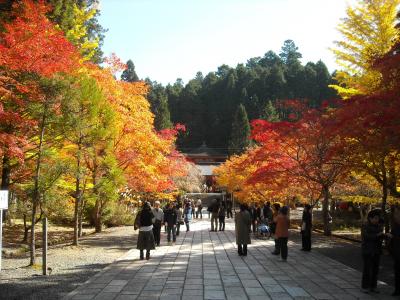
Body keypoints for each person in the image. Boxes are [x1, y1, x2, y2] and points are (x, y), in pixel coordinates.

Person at [361, 209, 385, 293]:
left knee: (375, 270)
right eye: (375, 218)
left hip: (376, 251)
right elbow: (367, 237)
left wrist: (384, 235)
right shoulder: (365, 226)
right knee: (367, 270)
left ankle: (373, 286)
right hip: (368, 251)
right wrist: (377, 235)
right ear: (370, 218)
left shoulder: (378, 226)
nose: (376, 220)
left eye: (377, 218)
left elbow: (380, 238)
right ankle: (365, 287)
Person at [389, 205, 400, 296]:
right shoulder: (395, 226)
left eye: (397, 213)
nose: (395, 216)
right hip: (396, 254)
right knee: (397, 272)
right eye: (395, 213)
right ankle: (397, 289)